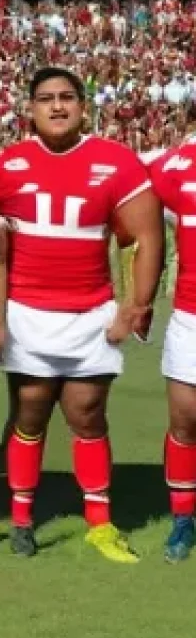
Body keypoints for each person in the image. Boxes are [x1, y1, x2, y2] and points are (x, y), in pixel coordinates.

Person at [0, 66, 164, 563]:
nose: (57, 107)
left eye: (66, 97)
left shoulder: (116, 162)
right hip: (28, 313)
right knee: (30, 411)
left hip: (89, 314)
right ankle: (21, 518)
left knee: (87, 413)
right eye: (45, 99)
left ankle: (100, 524)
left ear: (83, 105)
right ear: (30, 109)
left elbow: (146, 236)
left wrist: (135, 306)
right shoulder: (4, 165)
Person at [145, 139, 196, 560]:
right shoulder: (175, 163)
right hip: (190, 314)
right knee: (184, 420)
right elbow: (131, 211)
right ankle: (183, 519)